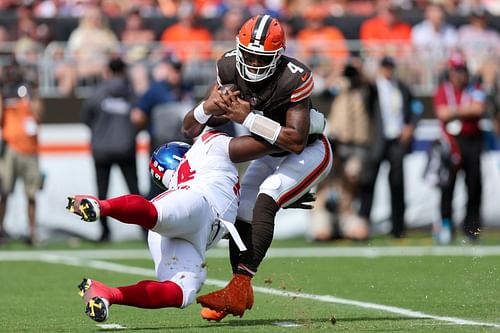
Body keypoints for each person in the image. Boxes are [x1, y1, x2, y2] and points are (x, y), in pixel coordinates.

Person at [182, 14, 332, 320]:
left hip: (308, 151)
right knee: (242, 210)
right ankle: (237, 289)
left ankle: (238, 288)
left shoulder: (294, 76)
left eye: (259, 56)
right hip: (269, 152)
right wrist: (208, 108)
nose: (251, 62)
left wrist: (246, 118)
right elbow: (195, 125)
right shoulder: (227, 67)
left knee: (268, 195)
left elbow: (296, 140)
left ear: (276, 56)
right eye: (247, 54)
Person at [66, 130, 282, 323]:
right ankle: (101, 206)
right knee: (155, 213)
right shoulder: (210, 145)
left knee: (183, 292)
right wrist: (285, 139)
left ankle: (109, 294)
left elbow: (240, 213)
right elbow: (252, 148)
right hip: (198, 202)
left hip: (196, 229)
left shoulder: (206, 154)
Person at [358, 56, 418, 239]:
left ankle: (398, 227)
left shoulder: (402, 87)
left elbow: (416, 107)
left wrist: (411, 126)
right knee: (369, 182)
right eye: (385, 67)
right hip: (377, 141)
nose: (388, 70)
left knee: (397, 183)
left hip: (397, 140)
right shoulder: (373, 87)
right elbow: (364, 98)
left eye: (390, 67)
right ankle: (363, 224)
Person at [81, 57, 140, 242]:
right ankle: (146, 230)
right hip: (125, 148)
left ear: (108, 71)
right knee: (134, 192)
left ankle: (104, 232)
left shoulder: (97, 93)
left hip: (101, 149)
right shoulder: (131, 93)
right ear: (123, 71)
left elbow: (86, 117)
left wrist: (99, 133)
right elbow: (140, 118)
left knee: (102, 194)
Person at [433, 51, 486, 242]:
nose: (459, 75)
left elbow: (478, 108)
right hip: (450, 142)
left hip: (472, 140)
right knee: (447, 186)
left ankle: (471, 229)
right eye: (456, 70)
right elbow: (442, 114)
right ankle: (445, 225)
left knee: (474, 185)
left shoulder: (474, 87)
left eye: (462, 70)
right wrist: (465, 111)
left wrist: (454, 111)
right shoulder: (443, 89)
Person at [130, 53, 194, 201]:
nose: (176, 73)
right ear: (166, 69)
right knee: (157, 187)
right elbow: (138, 114)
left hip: (183, 145)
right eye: (173, 69)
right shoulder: (156, 89)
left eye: (178, 69)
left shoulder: (186, 88)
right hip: (161, 146)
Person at [0, 58, 43, 246]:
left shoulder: (28, 93)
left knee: (31, 194)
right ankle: (1, 230)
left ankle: (32, 232)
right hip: (11, 148)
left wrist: (33, 92)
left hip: (30, 149)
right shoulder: (5, 92)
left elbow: (39, 116)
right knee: (4, 192)